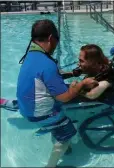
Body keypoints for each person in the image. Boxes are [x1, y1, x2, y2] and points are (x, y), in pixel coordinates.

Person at [16, 19, 98, 167]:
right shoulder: (47, 64)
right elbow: (65, 97)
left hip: (26, 106)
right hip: (39, 113)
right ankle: (51, 165)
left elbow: (50, 77)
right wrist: (82, 84)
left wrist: (72, 74)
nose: (56, 44)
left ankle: (57, 132)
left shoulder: (31, 55)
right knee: (67, 134)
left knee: (64, 97)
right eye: (57, 40)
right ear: (50, 38)